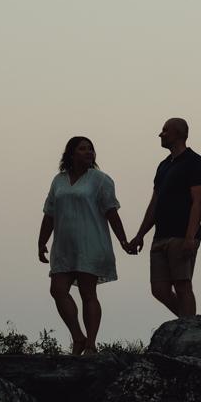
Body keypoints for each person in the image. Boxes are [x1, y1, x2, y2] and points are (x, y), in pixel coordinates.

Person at [37, 136, 132, 355]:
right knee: (58, 290)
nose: (89, 152)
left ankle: (90, 343)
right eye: (83, 149)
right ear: (71, 154)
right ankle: (77, 336)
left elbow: (111, 212)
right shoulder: (58, 181)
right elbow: (49, 213)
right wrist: (41, 241)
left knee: (88, 294)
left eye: (91, 149)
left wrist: (123, 240)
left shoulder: (100, 180)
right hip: (64, 246)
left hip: (91, 244)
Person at [128, 116, 201, 319]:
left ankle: (189, 329)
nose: (160, 134)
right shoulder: (163, 166)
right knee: (159, 289)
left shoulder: (195, 162)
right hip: (160, 235)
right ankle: (186, 321)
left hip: (182, 235)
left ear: (179, 133)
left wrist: (190, 237)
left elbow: (198, 201)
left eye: (165, 130)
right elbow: (155, 202)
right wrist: (140, 235)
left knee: (182, 284)